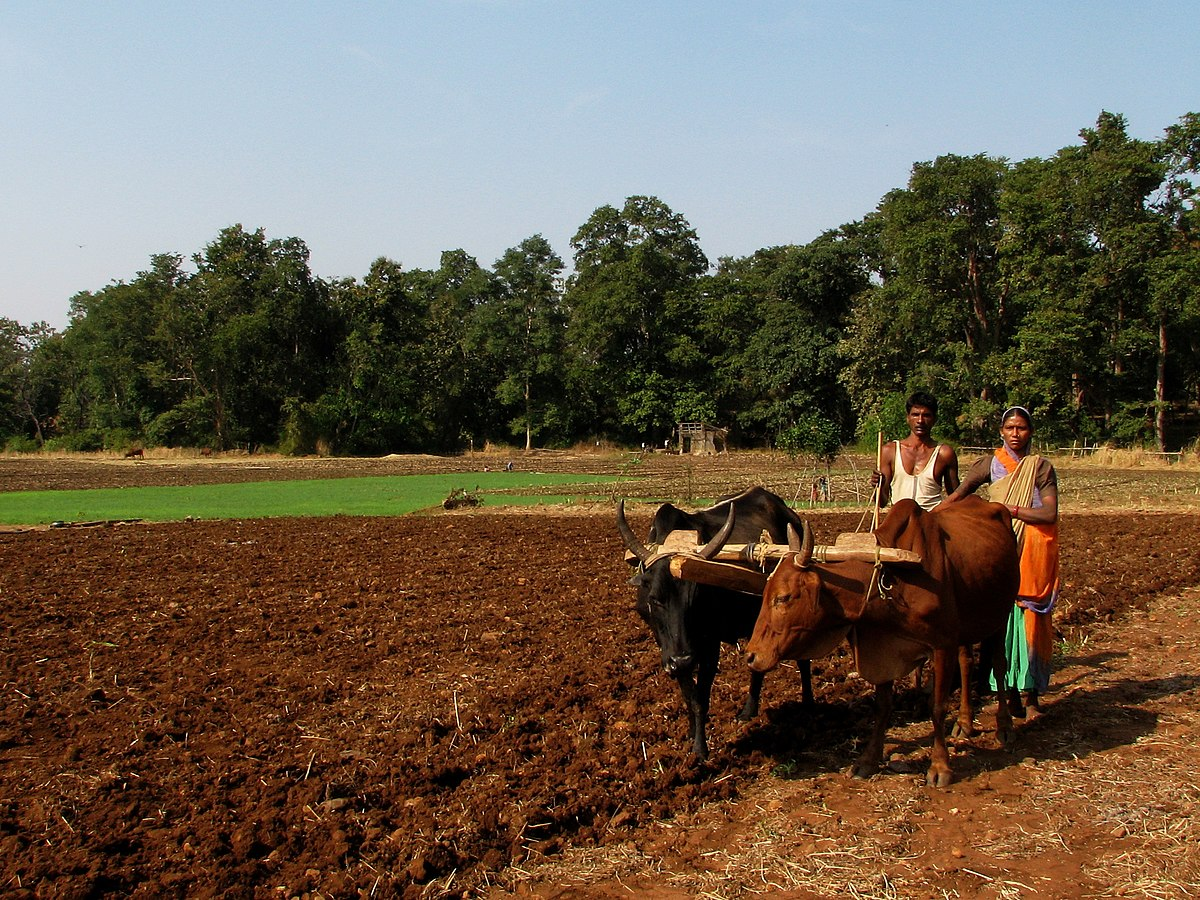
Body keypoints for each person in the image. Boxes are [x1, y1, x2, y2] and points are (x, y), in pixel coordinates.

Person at [945, 405, 1060, 717]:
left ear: (1030, 432)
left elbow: (1049, 513)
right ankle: (1005, 691)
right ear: (1001, 432)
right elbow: (960, 494)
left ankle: (1031, 695)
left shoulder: (1040, 468)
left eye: (1021, 428)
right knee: (1003, 619)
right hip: (998, 549)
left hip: (1033, 551)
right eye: (1010, 428)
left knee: (1031, 620)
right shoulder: (990, 465)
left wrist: (1008, 510)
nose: (1015, 434)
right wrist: (932, 516)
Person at [872, 391, 960, 512]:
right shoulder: (889, 451)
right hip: (900, 521)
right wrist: (878, 485)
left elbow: (955, 498)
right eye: (915, 414)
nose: (920, 420)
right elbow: (881, 502)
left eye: (926, 415)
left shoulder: (944, 453)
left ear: (934, 419)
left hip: (931, 521)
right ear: (908, 418)